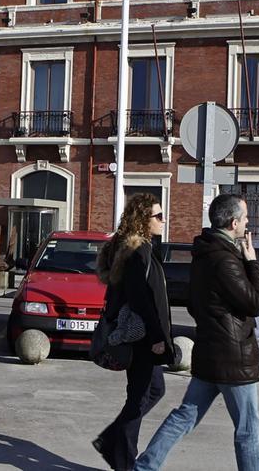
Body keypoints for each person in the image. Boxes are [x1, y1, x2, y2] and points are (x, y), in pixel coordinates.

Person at [135, 194, 259, 471]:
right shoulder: (226, 261)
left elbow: (195, 304)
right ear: (233, 223)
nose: (247, 224)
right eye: (244, 219)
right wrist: (253, 262)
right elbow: (254, 303)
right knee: (248, 429)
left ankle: (145, 466)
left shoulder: (204, 254)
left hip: (209, 351)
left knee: (185, 415)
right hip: (234, 358)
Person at [93, 193, 173, 470]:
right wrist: (157, 337)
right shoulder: (138, 251)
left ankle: (114, 443)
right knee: (141, 395)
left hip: (140, 335)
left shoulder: (136, 248)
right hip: (139, 336)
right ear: (143, 220)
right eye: (158, 216)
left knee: (151, 390)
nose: (164, 220)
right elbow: (141, 300)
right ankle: (122, 458)